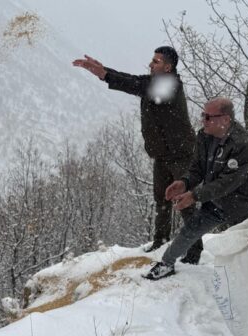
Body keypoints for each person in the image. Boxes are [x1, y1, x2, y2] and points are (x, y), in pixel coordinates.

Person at [73, 47, 202, 263]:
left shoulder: (170, 85)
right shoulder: (154, 83)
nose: (151, 64)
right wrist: (103, 70)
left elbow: (135, 84)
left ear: (168, 67)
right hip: (162, 155)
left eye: (156, 61)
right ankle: (160, 241)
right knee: (161, 199)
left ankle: (195, 249)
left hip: (181, 155)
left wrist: (104, 74)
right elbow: (134, 80)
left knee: (184, 202)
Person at [143, 98, 248, 280]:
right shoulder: (205, 136)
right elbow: (198, 167)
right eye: (203, 115)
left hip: (242, 204)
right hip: (215, 199)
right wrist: (184, 183)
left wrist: (194, 195)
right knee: (190, 230)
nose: (203, 120)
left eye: (208, 117)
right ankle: (166, 263)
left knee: (246, 244)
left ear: (225, 119)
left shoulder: (243, 143)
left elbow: (228, 182)